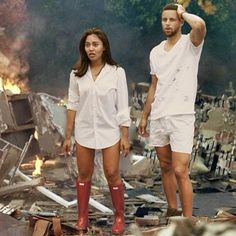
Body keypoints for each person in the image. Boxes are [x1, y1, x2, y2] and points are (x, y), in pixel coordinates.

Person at [138, 3, 206, 219]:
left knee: (180, 170)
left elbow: (201, 24)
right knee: (166, 167)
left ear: (180, 22)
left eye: (172, 19)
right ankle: (172, 209)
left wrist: (183, 12)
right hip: (159, 115)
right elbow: (154, 85)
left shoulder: (190, 43)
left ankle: (186, 221)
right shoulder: (155, 52)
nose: (167, 23)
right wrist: (144, 115)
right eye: (164, 19)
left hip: (181, 115)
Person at [63, 27, 130, 234]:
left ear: (104, 47)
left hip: (109, 131)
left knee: (112, 173)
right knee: (84, 174)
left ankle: (119, 217)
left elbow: (123, 106)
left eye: (95, 44)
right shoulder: (76, 74)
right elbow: (72, 105)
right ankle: (82, 217)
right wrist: (68, 136)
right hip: (84, 131)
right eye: (87, 45)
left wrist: (125, 136)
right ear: (83, 48)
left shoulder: (117, 72)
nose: (91, 48)